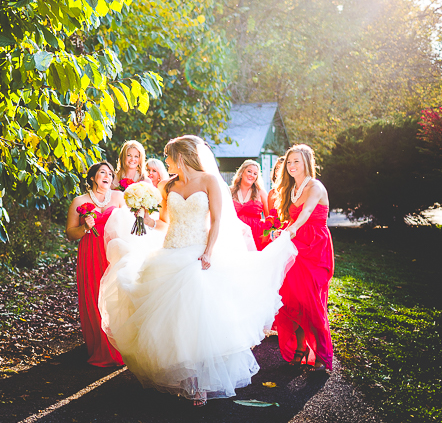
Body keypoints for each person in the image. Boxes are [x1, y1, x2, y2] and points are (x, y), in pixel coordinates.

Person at [99, 136, 297, 405]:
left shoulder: (209, 181)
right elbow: (165, 223)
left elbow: (217, 220)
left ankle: (202, 382)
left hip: (198, 253)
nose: (166, 161)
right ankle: (188, 380)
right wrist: (144, 218)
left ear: (180, 157)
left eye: (168, 157)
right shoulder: (168, 185)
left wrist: (208, 251)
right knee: (175, 321)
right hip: (170, 253)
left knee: (200, 318)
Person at [271, 144, 334, 373]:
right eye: (289, 162)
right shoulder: (291, 189)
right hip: (295, 245)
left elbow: (306, 213)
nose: (291, 166)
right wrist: (283, 230)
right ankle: (300, 348)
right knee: (291, 299)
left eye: (296, 161)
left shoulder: (315, 186)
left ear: (307, 162)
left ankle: (321, 354)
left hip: (315, 247)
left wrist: (292, 229)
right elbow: (292, 219)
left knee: (312, 301)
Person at [66, 161, 125, 367]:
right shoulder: (79, 201)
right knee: (94, 296)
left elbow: (129, 225)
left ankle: (121, 346)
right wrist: (84, 228)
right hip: (90, 252)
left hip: (113, 252)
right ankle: (101, 347)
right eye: (102, 172)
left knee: (116, 296)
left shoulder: (119, 197)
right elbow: (70, 234)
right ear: (92, 177)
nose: (107, 176)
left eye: (110, 173)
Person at [230, 160, 269, 250]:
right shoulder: (230, 191)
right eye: (249, 171)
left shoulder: (261, 192)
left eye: (255, 173)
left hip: (256, 235)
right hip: (236, 235)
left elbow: (269, 217)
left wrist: (266, 235)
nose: (252, 175)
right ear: (242, 172)